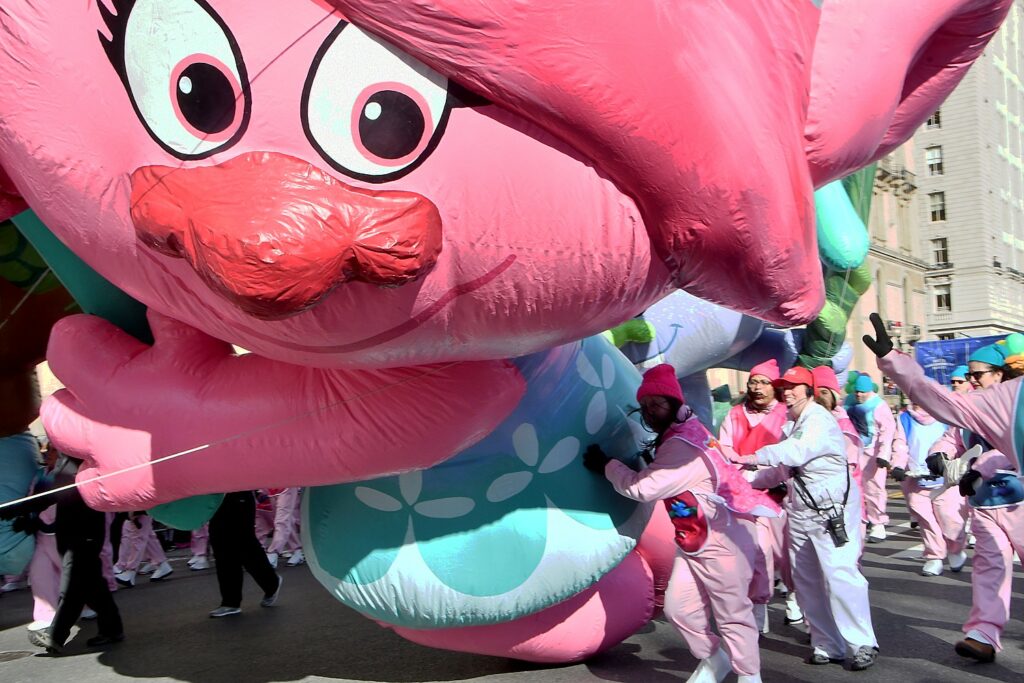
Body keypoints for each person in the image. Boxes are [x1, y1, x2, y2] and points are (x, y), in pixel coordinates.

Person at [585, 364, 773, 683]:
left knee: (732, 615)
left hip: (722, 543)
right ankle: (715, 660)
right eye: (644, 406)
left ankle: (749, 675)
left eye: (656, 404)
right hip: (694, 540)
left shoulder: (683, 444)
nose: (649, 412)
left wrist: (608, 466)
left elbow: (644, 488)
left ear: (673, 402)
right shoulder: (680, 432)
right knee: (679, 610)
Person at [865, 315, 1023, 664]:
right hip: (984, 503)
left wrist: (976, 467)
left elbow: (1000, 452)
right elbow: (945, 419)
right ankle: (983, 632)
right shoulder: (995, 402)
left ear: (1000, 373)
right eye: (968, 376)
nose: (970, 380)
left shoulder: (1007, 400)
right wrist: (892, 359)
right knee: (988, 566)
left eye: (977, 375)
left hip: (1018, 504)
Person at [734, 366, 878, 670]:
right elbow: (781, 470)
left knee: (840, 574)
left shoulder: (819, 420)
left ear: (809, 390)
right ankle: (826, 643)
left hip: (830, 510)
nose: (787, 391)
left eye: (794, 386)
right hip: (800, 509)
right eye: (784, 386)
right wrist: (738, 481)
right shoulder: (792, 423)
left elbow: (797, 452)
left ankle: (863, 641)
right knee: (805, 578)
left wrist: (750, 457)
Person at [1, 452, 124, 654]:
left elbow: (53, 494)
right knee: (94, 587)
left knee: (72, 588)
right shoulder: (71, 460)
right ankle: (113, 629)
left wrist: (15, 509)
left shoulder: (75, 461)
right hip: (76, 534)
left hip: (83, 535)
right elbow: (52, 496)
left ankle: (56, 637)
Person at [718, 359, 800, 630]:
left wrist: (775, 474)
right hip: (743, 494)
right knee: (759, 552)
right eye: (754, 382)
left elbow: (792, 452)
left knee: (786, 553)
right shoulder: (735, 414)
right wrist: (743, 466)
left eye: (764, 382)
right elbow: (725, 449)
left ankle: (794, 598)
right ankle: (759, 612)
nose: (758, 388)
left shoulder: (786, 415)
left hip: (779, 491)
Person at [890, 403, 968, 576]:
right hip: (916, 478)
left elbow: (955, 443)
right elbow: (900, 445)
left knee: (950, 518)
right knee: (926, 520)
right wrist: (897, 465)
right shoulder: (904, 418)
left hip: (947, 479)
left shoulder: (946, 415)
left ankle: (955, 550)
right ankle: (934, 557)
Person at [208, 491, 282, 618]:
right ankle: (231, 602)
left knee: (244, 544)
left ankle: (271, 583)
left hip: (238, 493)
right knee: (221, 546)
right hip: (217, 496)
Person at [847, 374, 896, 543]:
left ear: (869, 391)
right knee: (856, 488)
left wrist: (883, 454)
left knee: (874, 489)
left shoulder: (879, 406)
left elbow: (887, 431)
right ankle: (861, 518)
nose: (859, 395)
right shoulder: (850, 404)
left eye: (862, 392)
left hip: (873, 454)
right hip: (855, 452)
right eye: (857, 392)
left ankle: (878, 523)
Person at [113, 511, 173, 586]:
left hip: (138, 506)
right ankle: (161, 563)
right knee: (146, 537)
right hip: (139, 506)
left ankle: (130, 571)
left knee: (137, 538)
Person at [265, 488, 304, 568]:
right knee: (285, 519)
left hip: (287, 486)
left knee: (282, 520)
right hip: (271, 487)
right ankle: (296, 550)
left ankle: (273, 552)